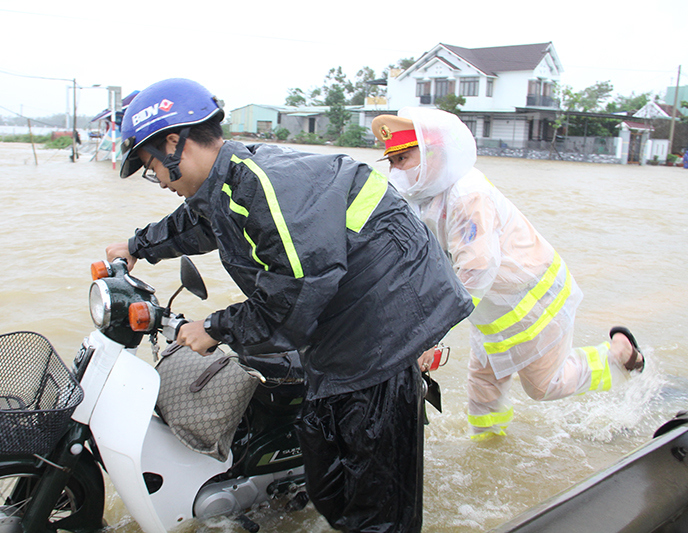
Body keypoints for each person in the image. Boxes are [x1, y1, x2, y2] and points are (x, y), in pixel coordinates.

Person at [106, 78, 473, 532]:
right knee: (328, 478)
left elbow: (297, 293)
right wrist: (137, 246)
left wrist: (216, 327)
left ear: (174, 142)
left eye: (150, 166)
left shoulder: (264, 185)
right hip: (343, 317)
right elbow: (199, 223)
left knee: (375, 503)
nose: (157, 180)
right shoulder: (226, 184)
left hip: (384, 319)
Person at [371, 109, 646, 441]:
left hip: (533, 301)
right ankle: (489, 449)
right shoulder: (423, 197)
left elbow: (476, 269)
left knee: (545, 386)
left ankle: (620, 353)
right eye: (392, 161)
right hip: (490, 310)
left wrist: (431, 336)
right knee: (483, 384)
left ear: (432, 153)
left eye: (403, 158)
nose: (396, 169)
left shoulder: (467, 194)